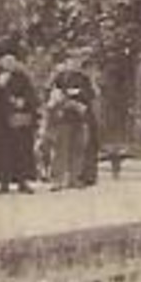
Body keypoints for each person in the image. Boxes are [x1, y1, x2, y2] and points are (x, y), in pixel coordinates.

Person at [0, 47, 39, 194]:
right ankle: (3, 183)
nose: (9, 64)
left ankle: (22, 182)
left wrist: (23, 101)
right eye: (6, 62)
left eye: (12, 61)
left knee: (22, 151)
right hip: (1, 120)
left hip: (19, 118)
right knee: (3, 152)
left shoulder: (23, 77)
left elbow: (31, 94)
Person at [46, 49, 97, 190]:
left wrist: (79, 95)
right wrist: (63, 99)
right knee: (61, 149)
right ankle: (57, 180)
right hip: (63, 117)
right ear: (66, 63)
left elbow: (90, 95)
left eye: (76, 61)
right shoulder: (59, 78)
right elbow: (50, 94)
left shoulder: (83, 78)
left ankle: (74, 178)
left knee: (78, 149)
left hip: (79, 118)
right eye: (71, 61)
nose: (73, 64)